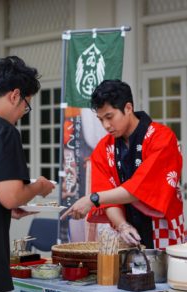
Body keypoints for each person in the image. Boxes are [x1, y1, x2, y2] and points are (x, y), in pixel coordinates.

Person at [61, 79, 185, 250]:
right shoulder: (103, 148)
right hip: (125, 232)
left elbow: (142, 188)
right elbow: (106, 194)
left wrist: (92, 199)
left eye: (109, 117)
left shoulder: (162, 138)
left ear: (128, 108)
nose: (106, 125)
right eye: (101, 119)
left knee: (167, 274)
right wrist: (122, 226)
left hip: (163, 227)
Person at [0, 56, 55, 292]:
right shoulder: (4, 131)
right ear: (15, 95)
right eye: (26, 105)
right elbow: (10, 196)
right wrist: (38, 186)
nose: (23, 113)